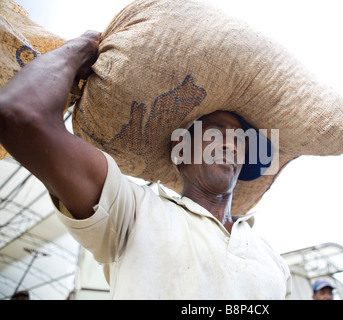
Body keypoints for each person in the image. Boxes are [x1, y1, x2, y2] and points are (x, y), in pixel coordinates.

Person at [0, 31, 291, 299]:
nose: (229, 144)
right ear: (181, 147)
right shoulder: (131, 211)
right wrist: (82, 48)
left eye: (240, 140)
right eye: (215, 132)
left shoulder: (274, 262)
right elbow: (21, 115)